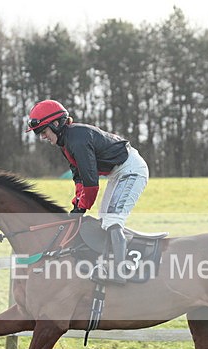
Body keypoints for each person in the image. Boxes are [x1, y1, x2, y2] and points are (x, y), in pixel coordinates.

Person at [26, 99, 149, 284]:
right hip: (118, 172)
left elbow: (91, 183)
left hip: (131, 170)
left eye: (44, 131)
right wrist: (77, 203)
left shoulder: (78, 140)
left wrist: (82, 208)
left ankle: (120, 272)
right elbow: (78, 177)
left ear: (56, 124)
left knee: (113, 220)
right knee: (104, 220)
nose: (43, 137)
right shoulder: (66, 142)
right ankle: (109, 263)